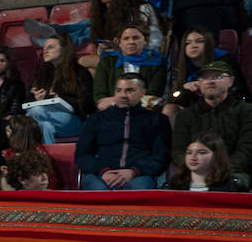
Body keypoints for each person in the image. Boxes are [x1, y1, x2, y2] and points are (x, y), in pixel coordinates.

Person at [75, 74, 170, 190]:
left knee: (138, 190)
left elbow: (161, 156)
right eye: (118, 90)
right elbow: (82, 155)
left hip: (138, 175)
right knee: (99, 192)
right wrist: (103, 171)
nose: (122, 95)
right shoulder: (96, 119)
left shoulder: (157, 120)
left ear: (142, 92)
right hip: (100, 174)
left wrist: (133, 172)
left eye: (129, 90)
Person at [170, 60, 252, 188]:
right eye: (205, 77)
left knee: (233, 184)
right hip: (194, 172)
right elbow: (178, 150)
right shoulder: (186, 115)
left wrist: (220, 170)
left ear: (230, 81)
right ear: (199, 83)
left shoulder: (246, 111)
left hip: (233, 172)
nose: (210, 81)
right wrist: (196, 168)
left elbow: (246, 150)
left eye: (218, 77)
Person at [27, 33, 94, 142]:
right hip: (44, 117)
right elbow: (26, 102)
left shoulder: (80, 72)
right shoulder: (39, 74)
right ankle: (46, 158)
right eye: (44, 48)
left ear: (64, 49)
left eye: (51, 47)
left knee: (36, 111)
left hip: (72, 120)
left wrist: (61, 100)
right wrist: (36, 99)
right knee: (45, 126)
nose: (45, 50)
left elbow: (87, 105)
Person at [93, 26, 167, 110]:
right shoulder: (107, 62)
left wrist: (117, 100)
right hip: (111, 111)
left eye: (136, 38)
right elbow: (100, 98)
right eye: (126, 38)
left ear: (145, 41)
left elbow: (153, 96)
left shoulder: (157, 63)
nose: (131, 42)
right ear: (119, 43)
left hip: (145, 112)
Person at [87, 0, 164, 54]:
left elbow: (155, 40)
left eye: (111, 2)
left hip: (143, 56)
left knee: (85, 61)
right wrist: (103, 47)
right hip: (119, 56)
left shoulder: (142, 9)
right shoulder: (110, 15)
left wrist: (123, 46)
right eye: (105, 4)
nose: (108, 7)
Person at [165, 133, 241, 192]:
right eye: (189, 152)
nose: (193, 157)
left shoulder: (231, 188)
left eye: (202, 152)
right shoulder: (173, 186)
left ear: (217, 156)